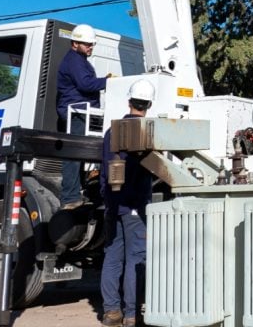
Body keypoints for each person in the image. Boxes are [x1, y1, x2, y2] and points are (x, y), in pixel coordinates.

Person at [100, 79, 155, 327]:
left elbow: (104, 170)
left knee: (112, 257)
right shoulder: (147, 132)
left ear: (129, 101)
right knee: (135, 259)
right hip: (135, 205)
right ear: (149, 105)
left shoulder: (112, 131)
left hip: (113, 205)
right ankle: (131, 314)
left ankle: (111, 312)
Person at [56, 23, 109, 209]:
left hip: (84, 112)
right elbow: (86, 85)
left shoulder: (80, 61)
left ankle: (78, 192)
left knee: (82, 154)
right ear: (74, 43)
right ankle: (69, 197)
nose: (90, 47)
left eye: (91, 44)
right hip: (76, 113)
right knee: (73, 155)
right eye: (86, 44)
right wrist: (107, 82)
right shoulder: (74, 61)